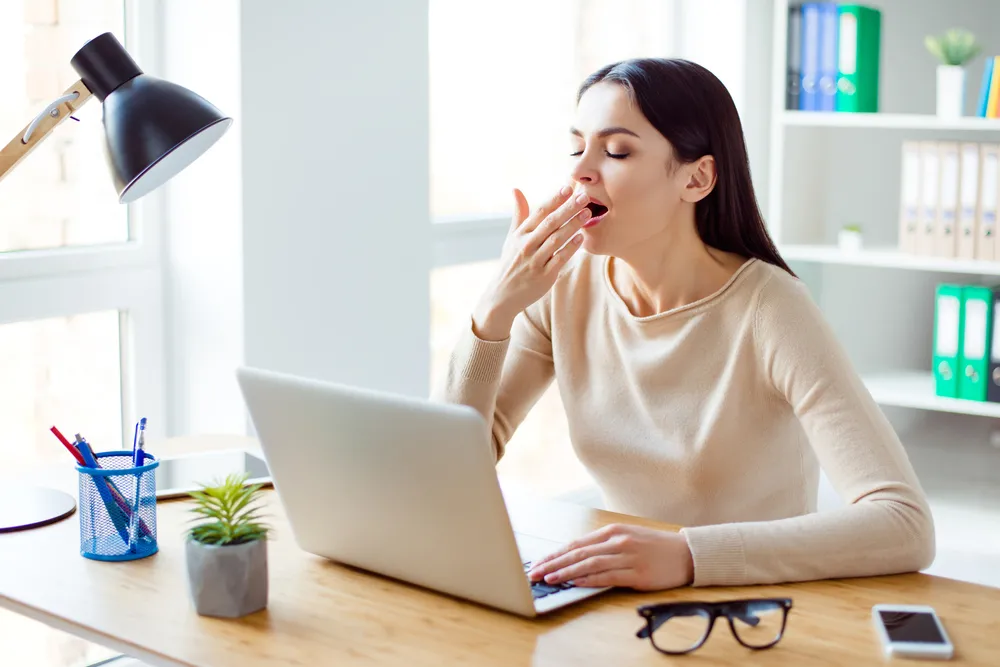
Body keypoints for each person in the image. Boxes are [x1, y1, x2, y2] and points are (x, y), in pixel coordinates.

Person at [433, 58, 935, 591]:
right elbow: (449, 467)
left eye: (617, 150)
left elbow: (903, 523)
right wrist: (494, 311)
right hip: (622, 597)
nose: (581, 170)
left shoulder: (772, 309)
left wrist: (690, 556)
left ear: (697, 178)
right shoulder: (562, 288)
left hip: (752, 605)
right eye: (577, 146)